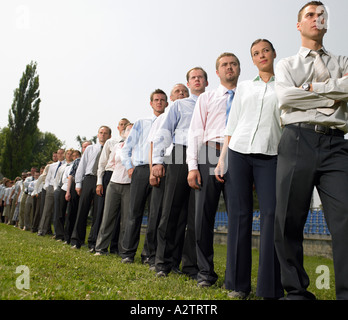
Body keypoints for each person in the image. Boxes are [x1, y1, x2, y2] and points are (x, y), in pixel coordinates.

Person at [274, 1, 348, 300]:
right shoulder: (286, 65)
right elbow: (285, 98)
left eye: (321, 15)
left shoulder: (343, 60)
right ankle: (296, 292)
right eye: (310, 15)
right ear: (299, 24)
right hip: (296, 140)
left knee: (345, 218)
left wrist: (310, 90)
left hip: (336, 145)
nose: (317, 19)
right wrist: (333, 93)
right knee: (288, 220)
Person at [215, 39, 283, 299]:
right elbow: (232, 125)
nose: (261, 55)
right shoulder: (244, 88)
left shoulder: (285, 85)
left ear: (274, 54)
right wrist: (222, 159)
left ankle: (270, 288)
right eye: (256, 53)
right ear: (252, 60)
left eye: (265, 50)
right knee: (239, 216)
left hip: (272, 154)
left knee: (271, 215)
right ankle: (236, 285)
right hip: (239, 152)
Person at [186, 52, 240, 287]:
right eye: (224, 65)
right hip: (210, 150)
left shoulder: (245, 96)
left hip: (238, 152)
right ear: (217, 72)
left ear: (239, 68)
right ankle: (205, 273)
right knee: (203, 216)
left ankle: (236, 276)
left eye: (233, 64)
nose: (229, 68)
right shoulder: (206, 98)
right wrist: (192, 167)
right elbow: (195, 132)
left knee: (238, 216)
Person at [152, 67, 208, 278]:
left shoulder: (212, 102)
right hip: (179, 153)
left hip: (205, 156)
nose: (197, 80)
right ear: (189, 82)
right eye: (193, 77)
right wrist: (157, 160)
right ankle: (164, 263)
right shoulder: (180, 105)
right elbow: (165, 132)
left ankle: (191, 266)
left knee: (196, 215)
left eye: (200, 77)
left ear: (206, 82)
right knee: (171, 209)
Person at [120, 89, 168, 264]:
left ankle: (148, 255)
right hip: (140, 170)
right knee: (134, 212)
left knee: (155, 214)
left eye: (162, 100)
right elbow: (126, 148)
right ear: (151, 103)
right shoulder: (141, 123)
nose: (159, 102)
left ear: (167, 103)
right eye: (156, 100)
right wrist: (130, 167)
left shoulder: (168, 122)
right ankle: (127, 253)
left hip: (159, 170)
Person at [146, 82, 189, 272]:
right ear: (171, 98)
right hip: (169, 161)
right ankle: (156, 257)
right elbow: (156, 143)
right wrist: (155, 166)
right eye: (177, 92)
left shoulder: (194, 109)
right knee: (163, 213)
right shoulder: (164, 116)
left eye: (184, 91)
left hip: (190, 157)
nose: (181, 94)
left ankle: (173, 261)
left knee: (181, 215)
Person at [94, 123, 133, 255]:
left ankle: (123, 250)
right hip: (113, 184)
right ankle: (100, 247)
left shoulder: (138, 148)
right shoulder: (116, 146)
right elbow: (109, 164)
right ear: (123, 132)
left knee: (125, 220)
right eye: (127, 129)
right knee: (107, 217)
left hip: (129, 185)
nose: (129, 132)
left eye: (133, 130)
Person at [71, 126, 111, 250]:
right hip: (88, 179)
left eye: (105, 133)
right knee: (82, 210)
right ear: (97, 135)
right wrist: (78, 183)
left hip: (102, 180)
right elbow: (82, 165)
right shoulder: (90, 149)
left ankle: (93, 242)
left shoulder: (111, 149)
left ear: (109, 136)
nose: (103, 135)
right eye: (101, 133)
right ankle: (77, 240)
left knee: (98, 212)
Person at [64, 142, 91, 244]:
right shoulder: (77, 161)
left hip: (87, 188)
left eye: (88, 146)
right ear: (82, 149)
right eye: (84, 147)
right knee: (71, 213)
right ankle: (68, 238)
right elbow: (71, 176)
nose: (86, 148)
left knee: (83, 214)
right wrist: (68, 191)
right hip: (75, 188)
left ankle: (80, 239)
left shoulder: (93, 161)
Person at [38, 149, 65, 236]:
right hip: (50, 187)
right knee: (47, 210)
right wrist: (47, 187)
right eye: (58, 153)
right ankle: (42, 230)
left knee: (58, 211)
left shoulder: (66, 165)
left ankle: (57, 232)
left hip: (60, 188)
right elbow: (48, 177)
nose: (60, 155)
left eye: (62, 153)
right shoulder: (52, 166)